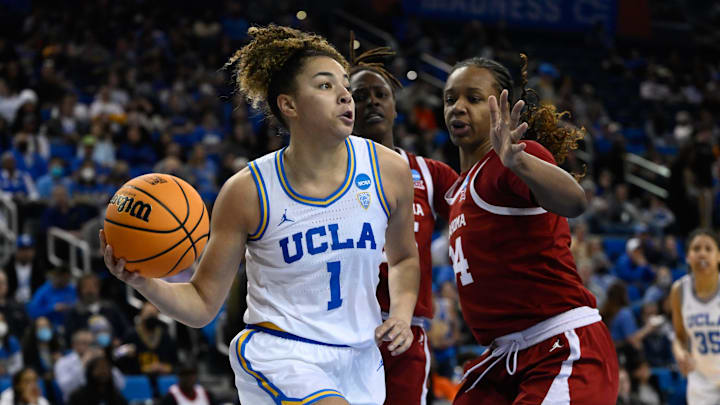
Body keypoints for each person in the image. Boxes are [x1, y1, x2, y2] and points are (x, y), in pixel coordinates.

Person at [100, 24, 420, 405]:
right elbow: (202, 304)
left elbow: (403, 258)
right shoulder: (247, 191)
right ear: (289, 105)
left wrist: (401, 313)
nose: (344, 96)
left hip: (361, 359)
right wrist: (142, 282)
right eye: (324, 85)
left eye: (344, 85)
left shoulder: (388, 170)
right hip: (281, 353)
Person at [442, 55, 618, 404]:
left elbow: (574, 201)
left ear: (503, 111)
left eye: (474, 99)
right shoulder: (461, 187)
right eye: (451, 99)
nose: (458, 107)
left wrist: (519, 160)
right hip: (506, 357)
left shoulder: (512, 160)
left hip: (559, 345)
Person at [349, 39, 458, 405]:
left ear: (396, 107)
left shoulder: (428, 174)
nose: (373, 102)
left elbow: (478, 213)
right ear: (345, 108)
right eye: (360, 96)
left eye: (381, 94)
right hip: (342, 327)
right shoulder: (326, 175)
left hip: (405, 332)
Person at [670, 228, 720, 405]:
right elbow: (679, 336)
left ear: (718, 256)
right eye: (696, 249)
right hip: (701, 382)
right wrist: (681, 354)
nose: (702, 254)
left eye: (708, 249)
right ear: (688, 257)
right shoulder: (679, 290)